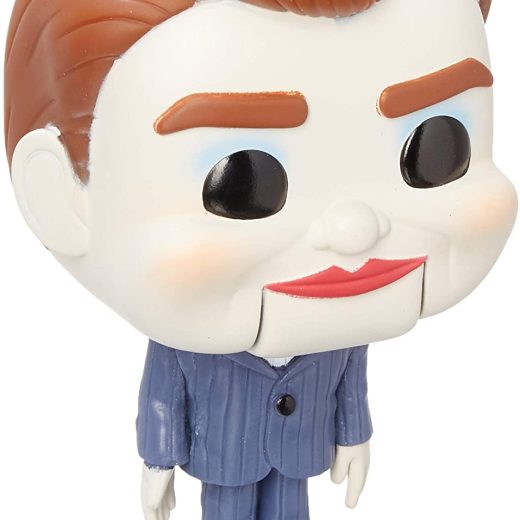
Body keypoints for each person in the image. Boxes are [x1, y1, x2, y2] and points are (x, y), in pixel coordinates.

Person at [4, 0, 515, 519]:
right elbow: (163, 393)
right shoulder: (188, 341)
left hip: (302, 453)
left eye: (435, 148)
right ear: (57, 198)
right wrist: (158, 460)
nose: (356, 229)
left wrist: (354, 436)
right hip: (224, 459)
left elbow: (349, 382)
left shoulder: (344, 324)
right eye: (243, 180)